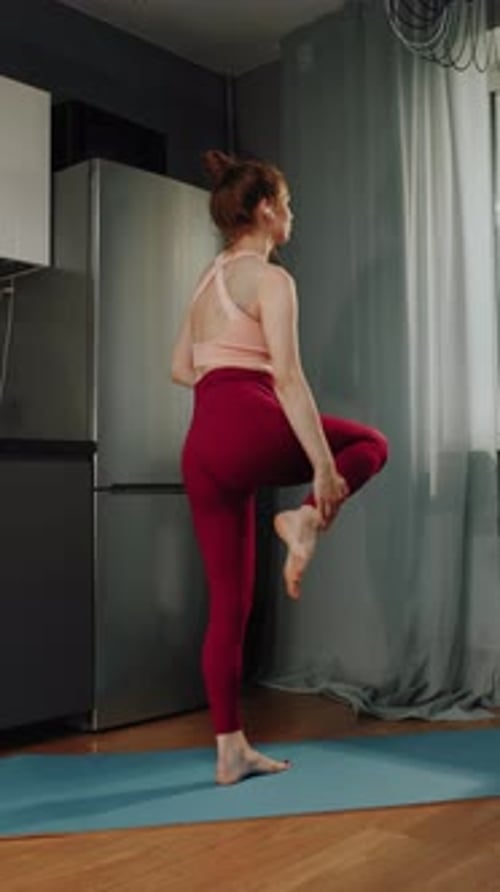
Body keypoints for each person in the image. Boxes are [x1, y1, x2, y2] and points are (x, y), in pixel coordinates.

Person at [171, 149, 388, 785]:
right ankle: (303, 523)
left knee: (228, 608)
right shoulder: (271, 280)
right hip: (246, 421)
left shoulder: (206, 282)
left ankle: (230, 749)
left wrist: (229, 381)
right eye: (287, 205)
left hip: (203, 442)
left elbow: (181, 368)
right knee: (369, 446)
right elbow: (289, 379)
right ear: (265, 210)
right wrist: (321, 472)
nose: (292, 215)